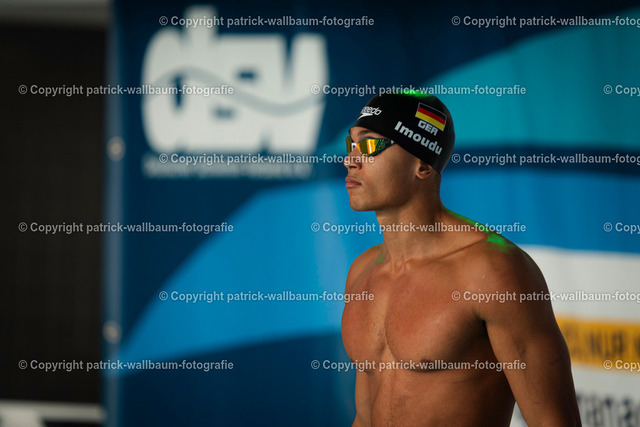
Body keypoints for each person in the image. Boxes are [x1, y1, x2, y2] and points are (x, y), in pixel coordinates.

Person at [341, 90, 581, 426]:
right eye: (350, 144)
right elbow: (365, 417)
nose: (350, 159)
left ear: (423, 165)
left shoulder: (492, 270)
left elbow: (553, 422)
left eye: (368, 145)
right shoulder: (363, 271)